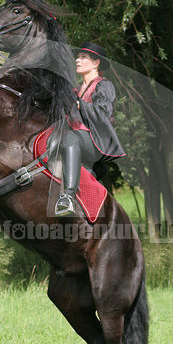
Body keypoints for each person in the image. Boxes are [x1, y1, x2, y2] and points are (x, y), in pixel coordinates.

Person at [54, 42, 126, 216]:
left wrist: (79, 104)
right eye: (77, 57)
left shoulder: (104, 85)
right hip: (75, 138)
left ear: (96, 63)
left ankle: (68, 197)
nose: (77, 61)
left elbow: (102, 113)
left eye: (83, 57)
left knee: (70, 138)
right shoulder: (76, 89)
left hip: (95, 142)